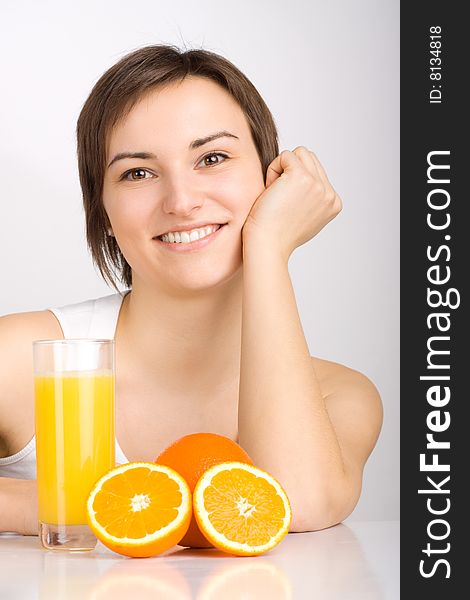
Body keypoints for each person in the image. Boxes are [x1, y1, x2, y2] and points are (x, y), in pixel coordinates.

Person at [0, 44, 382, 536]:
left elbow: (292, 505)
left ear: (272, 181)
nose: (181, 202)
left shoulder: (341, 395)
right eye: (138, 172)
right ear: (104, 213)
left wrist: (268, 248)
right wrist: (81, 505)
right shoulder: (22, 359)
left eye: (213, 157)